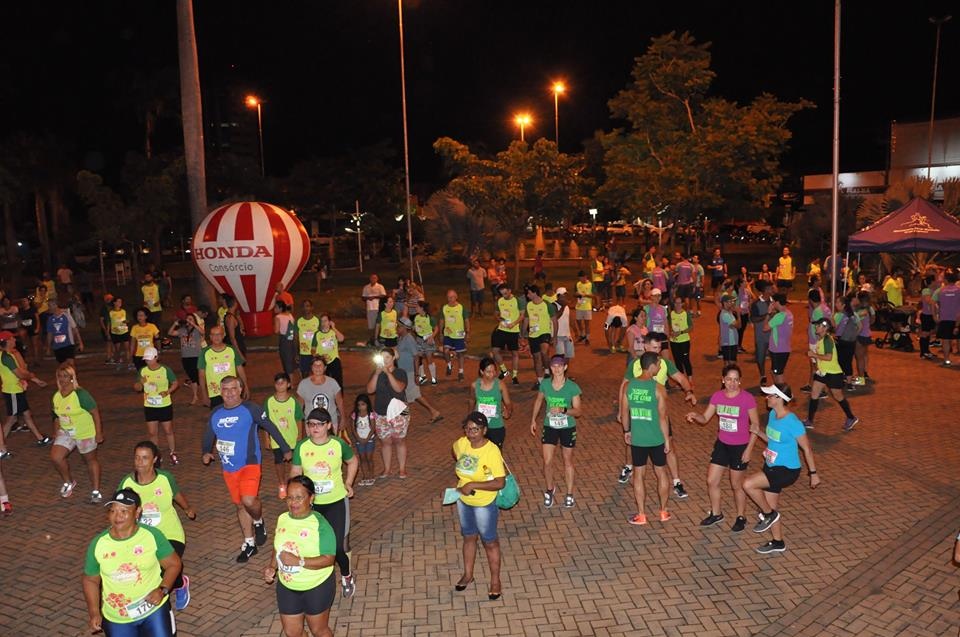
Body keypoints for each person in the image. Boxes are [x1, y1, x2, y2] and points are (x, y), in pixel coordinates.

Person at [202, 375, 292, 562]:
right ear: (220, 391)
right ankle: (249, 543)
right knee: (240, 505)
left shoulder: (250, 409)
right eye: (225, 389)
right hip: (229, 467)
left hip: (250, 463)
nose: (229, 393)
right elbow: (208, 435)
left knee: (249, 500)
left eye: (233, 388)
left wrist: (285, 448)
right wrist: (205, 451)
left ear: (241, 389)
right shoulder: (216, 413)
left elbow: (270, 426)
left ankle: (258, 521)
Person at [82, 488, 182, 636]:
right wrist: (94, 612)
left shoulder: (151, 536)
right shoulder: (99, 544)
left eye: (124, 511)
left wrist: (163, 589)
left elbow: (174, 564)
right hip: (118, 618)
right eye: (113, 511)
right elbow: (90, 580)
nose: (117, 516)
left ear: (137, 512)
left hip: (153, 610)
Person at [117, 441, 197, 611]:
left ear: (155, 459)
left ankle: (176, 588)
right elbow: (118, 509)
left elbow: (176, 494)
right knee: (150, 570)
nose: (140, 462)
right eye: (137, 458)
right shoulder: (127, 483)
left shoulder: (165, 478)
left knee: (166, 567)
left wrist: (187, 508)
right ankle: (175, 587)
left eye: (145, 458)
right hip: (143, 536)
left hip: (170, 533)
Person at [291, 408, 359, 600]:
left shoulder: (338, 444)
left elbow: (353, 462)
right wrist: (296, 496)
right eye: (311, 424)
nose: (315, 429)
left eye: (319, 424)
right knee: (315, 545)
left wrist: (348, 483)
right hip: (312, 506)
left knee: (337, 546)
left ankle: (347, 576)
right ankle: (317, 578)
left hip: (337, 502)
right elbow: (295, 473)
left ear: (329, 425)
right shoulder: (302, 447)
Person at [744, 384, 821, 554]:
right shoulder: (772, 414)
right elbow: (772, 440)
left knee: (748, 484)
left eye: (770, 395)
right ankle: (778, 541)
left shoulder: (793, 422)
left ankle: (768, 515)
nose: (767, 398)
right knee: (771, 507)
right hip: (771, 465)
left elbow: (807, 449)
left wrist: (813, 474)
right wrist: (758, 433)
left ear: (779, 398)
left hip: (787, 470)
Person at [685, 364, 758, 533]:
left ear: (740, 381)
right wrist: (696, 416)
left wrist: (749, 449)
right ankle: (716, 513)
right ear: (723, 380)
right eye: (729, 379)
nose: (732, 383)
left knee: (736, 485)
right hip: (722, 444)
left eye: (736, 380)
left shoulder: (747, 398)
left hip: (740, 446)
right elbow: (705, 418)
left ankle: (741, 516)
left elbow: (755, 425)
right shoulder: (717, 397)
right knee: (712, 480)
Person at [262, 475, 337, 637]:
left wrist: (299, 561)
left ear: (311, 498)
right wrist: (272, 567)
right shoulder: (282, 518)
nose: (293, 502)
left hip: (317, 586)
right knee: (292, 633)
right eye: (289, 497)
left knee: (319, 630)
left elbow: (329, 559)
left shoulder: (321, 525)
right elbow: (278, 547)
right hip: (287, 586)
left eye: (299, 498)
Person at [452, 412, 505, 599]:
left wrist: (473, 484)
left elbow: (500, 482)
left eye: (475, 429)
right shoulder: (461, 444)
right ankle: (468, 575)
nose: (471, 433)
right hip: (464, 502)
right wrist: (463, 484)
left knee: (489, 542)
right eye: (468, 428)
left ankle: (495, 580)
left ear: (484, 430)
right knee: (468, 537)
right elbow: (455, 451)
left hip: (484, 504)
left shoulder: (491, 451)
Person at [621, 352, 672, 525]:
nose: (659, 367)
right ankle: (663, 511)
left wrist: (627, 431)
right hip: (656, 438)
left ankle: (641, 514)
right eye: (658, 364)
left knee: (638, 474)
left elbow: (624, 413)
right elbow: (663, 417)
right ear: (652, 365)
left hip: (638, 439)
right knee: (661, 473)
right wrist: (667, 439)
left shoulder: (628, 386)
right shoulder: (658, 388)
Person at [529, 355, 582, 509]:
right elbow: (539, 400)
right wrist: (533, 419)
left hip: (567, 427)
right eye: (554, 366)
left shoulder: (572, 387)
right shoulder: (545, 384)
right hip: (550, 426)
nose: (557, 369)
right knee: (547, 461)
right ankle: (550, 489)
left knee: (567, 461)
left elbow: (578, 411)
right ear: (550, 367)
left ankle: (570, 493)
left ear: (565, 367)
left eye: (560, 366)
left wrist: (563, 410)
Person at [50, 364, 104, 502]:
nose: (62, 379)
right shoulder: (56, 396)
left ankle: (96, 490)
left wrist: (98, 433)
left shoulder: (81, 394)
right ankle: (68, 482)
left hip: (84, 432)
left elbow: (95, 412)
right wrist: (56, 431)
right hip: (66, 431)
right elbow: (56, 416)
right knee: (56, 457)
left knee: (90, 460)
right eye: (60, 376)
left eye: (65, 376)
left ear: (72, 378)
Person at [804, 317, 859, 432]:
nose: (816, 327)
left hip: (833, 374)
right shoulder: (821, 340)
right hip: (823, 373)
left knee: (838, 396)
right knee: (814, 394)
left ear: (825, 328)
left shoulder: (827, 340)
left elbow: (828, 357)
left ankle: (851, 417)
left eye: (818, 325)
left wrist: (814, 355)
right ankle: (809, 420)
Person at [0, 331, 51, 450]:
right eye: (12, 338)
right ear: (7, 341)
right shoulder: (6, 357)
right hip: (12, 391)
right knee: (12, 419)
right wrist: (31, 376)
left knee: (26, 414)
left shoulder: (7, 355)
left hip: (16, 389)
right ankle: (1, 447)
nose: (14, 340)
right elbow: (19, 374)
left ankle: (40, 438)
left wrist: (34, 379)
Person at [366, 347, 409, 478]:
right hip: (381, 411)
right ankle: (387, 469)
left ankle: (402, 469)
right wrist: (377, 374)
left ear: (393, 358)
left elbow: (399, 388)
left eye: (387, 357)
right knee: (385, 442)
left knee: (399, 440)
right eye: (382, 357)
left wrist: (389, 373)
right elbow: (369, 390)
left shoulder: (400, 372)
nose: (385, 360)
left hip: (399, 412)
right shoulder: (377, 373)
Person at [133, 347, 180, 465]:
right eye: (146, 360)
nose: (148, 362)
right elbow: (136, 387)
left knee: (168, 430)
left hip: (164, 404)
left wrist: (168, 392)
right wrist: (140, 384)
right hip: (149, 405)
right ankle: (156, 454)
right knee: (152, 433)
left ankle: (173, 452)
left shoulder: (165, 370)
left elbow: (175, 382)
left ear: (156, 358)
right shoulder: (143, 371)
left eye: (150, 359)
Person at [265, 372, 305, 499]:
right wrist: (266, 438)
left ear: (288, 384)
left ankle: (295, 485)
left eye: (283, 382)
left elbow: (299, 420)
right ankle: (282, 484)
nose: (280, 385)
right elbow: (265, 421)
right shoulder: (269, 401)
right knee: (279, 462)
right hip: (276, 440)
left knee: (296, 463)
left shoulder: (293, 401)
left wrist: (299, 437)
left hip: (292, 439)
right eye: (278, 383)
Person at [396, 317, 443, 423]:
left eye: (399, 326)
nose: (397, 328)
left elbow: (416, 357)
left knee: (415, 395)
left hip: (409, 372)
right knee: (405, 394)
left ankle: (434, 412)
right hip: (403, 371)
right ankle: (404, 415)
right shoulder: (401, 338)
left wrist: (417, 375)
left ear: (404, 328)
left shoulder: (409, 339)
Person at [197, 325, 248, 409]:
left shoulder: (231, 350)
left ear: (223, 335)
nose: (216, 337)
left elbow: (240, 369)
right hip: (215, 392)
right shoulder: (205, 353)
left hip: (232, 390)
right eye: (213, 335)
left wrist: (245, 387)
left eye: (219, 334)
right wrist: (204, 394)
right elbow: (201, 375)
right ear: (210, 337)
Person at [297, 357, 345, 436]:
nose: (318, 368)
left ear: (325, 367)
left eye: (320, 365)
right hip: (312, 424)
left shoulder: (333, 383)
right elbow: (300, 406)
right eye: (315, 365)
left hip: (330, 423)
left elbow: (340, 402)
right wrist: (298, 425)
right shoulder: (303, 384)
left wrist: (343, 418)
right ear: (311, 367)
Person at [473, 357, 513, 449]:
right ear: (482, 372)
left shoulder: (500, 385)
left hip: (496, 425)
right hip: (480, 426)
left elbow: (508, 403)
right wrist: (470, 419)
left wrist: (508, 411)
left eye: (494, 371)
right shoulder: (475, 386)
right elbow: (471, 401)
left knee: (495, 454)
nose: (492, 374)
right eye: (488, 372)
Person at [491, 282, 524, 386]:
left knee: (514, 353)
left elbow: (522, 315)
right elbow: (496, 314)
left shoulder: (518, 301)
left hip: (513, 331)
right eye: (501, 294)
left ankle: (514, 376)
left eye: (505, 293)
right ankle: (504, 371)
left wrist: (514, 323)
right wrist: (501, 320)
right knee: (495, 351)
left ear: (510, 290)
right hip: (501, 329)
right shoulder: (499, 301)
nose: (503, 296)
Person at [524, 285, 557, 388]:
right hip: (533, 335)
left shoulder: (547, 305)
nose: (528, 295)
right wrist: (522, 334)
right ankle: (540, 381)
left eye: (529, 293)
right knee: (536, 358)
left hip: (544, 332)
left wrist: (554, 336)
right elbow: (526, 320)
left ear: (535, 293)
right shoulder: (528, 305)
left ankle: (547, 370)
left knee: (544, 352)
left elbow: (554, 321)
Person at [168, 313, 203, 405]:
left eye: (191, 319)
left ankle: (199, 396)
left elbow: (202, 332)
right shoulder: (182, 330)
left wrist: (194, 324)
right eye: (187, 319)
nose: (189, 320)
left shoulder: (196, 330)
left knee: (198, 377)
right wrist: (175, 324)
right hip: (186, 357)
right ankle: (195, 396)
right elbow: (170, 333)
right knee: (192, 377)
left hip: (196, 356)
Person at [438, 290, 470, 382]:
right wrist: (440, 333)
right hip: (448, 334)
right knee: (446, 351)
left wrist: (467, 333)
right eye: (448, 297)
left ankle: (461, 372)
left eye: (452, 297)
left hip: (459, 335)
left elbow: (466, 320)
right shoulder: (444, 308)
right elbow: (441, 320)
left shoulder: (461, 307)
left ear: (456, 297)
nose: (450, 299)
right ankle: (449, 364)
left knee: (460, 354)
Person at [344, 395, 376, 486]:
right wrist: (358, 438)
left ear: (367, 405)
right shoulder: (355, 415)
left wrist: (367, 438)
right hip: (359, 440)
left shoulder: (371, 414)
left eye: (363, 404)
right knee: (362, 458)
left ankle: (371, 475)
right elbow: (353, 428)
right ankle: (365, 476)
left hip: (369, 439)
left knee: (369, 458)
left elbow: (373, 428)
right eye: (359, 405)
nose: (361, 407)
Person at [764, 292, 793, 384]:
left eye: (773, 302)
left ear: (777, 303)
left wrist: (768, 313)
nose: (772, 303)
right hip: (785, 348)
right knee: (775, 371)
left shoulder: (779, 316)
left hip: (778, 350)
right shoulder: (789, 313)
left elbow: (765, 328)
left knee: (778, 374)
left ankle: (782, 394)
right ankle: (779, 391)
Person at [311, 314, 345, 390]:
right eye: (322, 321)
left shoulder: (333, 332)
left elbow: (341, 339)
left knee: (338, 382)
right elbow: (312, 349)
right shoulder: (317, 334)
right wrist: (319, 357)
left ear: (329, 322)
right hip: (323, 362)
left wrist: (334, 328)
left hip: (334, 359)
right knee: (324, 382)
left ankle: (338, 399)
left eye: (325, 321)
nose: (324, 323)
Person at [46, 300, 84, 367]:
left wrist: (80, 342)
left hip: (68, 344)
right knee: (63, 366)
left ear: (55, 305)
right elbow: (50, 333)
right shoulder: (50, 319)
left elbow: (74, 329)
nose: (48, 308)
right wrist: (48, 347)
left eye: (50, 305)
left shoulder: (66, 315)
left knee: (70, 364)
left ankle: (73, 377)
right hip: (57, 346)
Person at [749, 281, 773, 385]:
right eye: (770, 288)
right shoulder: (756, 304)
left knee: (775, 358)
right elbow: (754, 319)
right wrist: (767, 315)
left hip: (773, 336)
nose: (772, 289)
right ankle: (763, 375)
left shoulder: (774, 301)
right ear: (764, 291)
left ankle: (775, 375)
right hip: (761, 335)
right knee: (760, 357)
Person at [934, 272, 960, 366]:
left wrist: (936, 315)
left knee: (946, 340)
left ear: (946, 280)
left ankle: (946, 360)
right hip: (957, 318)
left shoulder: (941, 291)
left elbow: (937, 304)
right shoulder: (958, 290)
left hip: (944, 318)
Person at [667, 295, 694, 381]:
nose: (678, 305)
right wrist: (670, 333)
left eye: (680, 303)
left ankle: (690, 380)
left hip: (684, 341)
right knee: (677, 361)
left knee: (685, 360)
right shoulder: (671, 314)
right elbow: (668, 325)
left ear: (682, 304)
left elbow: (691, 327)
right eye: (676, 303)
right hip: (674, 341)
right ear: (674, 304)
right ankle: (682, 380)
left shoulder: (685, 314)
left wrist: (681, 332)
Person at [413, 300, 439, 385]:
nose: (415, 308)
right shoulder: (416, 317)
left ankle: (434, 378)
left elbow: (436, 329)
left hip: (428, 340)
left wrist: (431, 337)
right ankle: (422, 376)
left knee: (429, 359)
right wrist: (414, 328)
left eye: (417, 307)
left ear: (421, 308)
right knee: (419, 358)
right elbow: (415, 327)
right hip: (419, 340)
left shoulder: (430, 318)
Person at [551, 288, 577, 375]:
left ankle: (565, 375)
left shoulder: (566, 306)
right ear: (558, 296)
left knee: (568, 356)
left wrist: (575, 331)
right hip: (558, 335)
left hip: (567, 335)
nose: (566, 297)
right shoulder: (553, 305)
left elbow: (570, 319)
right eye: (564, 295)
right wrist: (562, 306)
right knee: (560, 356)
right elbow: (556, 317)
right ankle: (559, 374)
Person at [295, 300, 321, 382]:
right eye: (304, 306)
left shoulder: (317, 321)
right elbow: (296, 338)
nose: (306, 308)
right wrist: (297, 353)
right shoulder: (298, 321)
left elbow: (321, 336)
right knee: (304, 374)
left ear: (312, 308)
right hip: (303, 353)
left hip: (315, 352)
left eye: (308, 306)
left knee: (317, 373)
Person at [361, 274, 387, 346]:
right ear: (370, 279)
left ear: (377, 279)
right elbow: (363, 297)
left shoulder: (380, 286)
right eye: (372, 278)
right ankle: (372, 339)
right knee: (371, 325)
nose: (373, 279)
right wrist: (368, 298)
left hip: (378, 307)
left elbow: (384, 295)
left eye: (375, 278)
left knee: (378, 323)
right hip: (370, 308)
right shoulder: (366, 287)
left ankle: (379, 338)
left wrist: (374, 297)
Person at [108, 296, 132, 369]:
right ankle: (119, 362)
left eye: (120, 302)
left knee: (127, 348)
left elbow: (128, 320)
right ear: (114, 303)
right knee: (118, 349)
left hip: (124, 331)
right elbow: (108, 323)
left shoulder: (123, 311)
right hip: (115, 333)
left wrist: (126, 321)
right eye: (118, 302)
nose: (119, 303)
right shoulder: (111, 312)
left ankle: (129, 363)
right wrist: (108, 332)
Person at [917, 274, 937, 360]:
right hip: (926, 315)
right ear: (932, 282)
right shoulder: (926, 290)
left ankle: (926, 351)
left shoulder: (931, 290)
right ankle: (923, 352)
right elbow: (928, 301)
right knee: (925, 334)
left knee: (928, 334)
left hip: (929, 315)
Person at [275, 300, 297, 377]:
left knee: (286, 359)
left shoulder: (278, 317)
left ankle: (290, 382)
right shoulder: (290, 315)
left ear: (280, 308)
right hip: (291, 339)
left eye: (276, 307)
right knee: (291, 358)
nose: (274, 309)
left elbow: (276, 330)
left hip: (284, 340)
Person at [718, 295, 740, 363]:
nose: (733, 303)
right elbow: (738, 326)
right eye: (730, 301)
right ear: (725, 303)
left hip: (730, 341)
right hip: (729, 342)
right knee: (731, 363)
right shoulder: (725, 314)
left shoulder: (728, 312)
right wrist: (738, 314)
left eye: (733, 301)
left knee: (728, 363)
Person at [574, 271, 593, 345]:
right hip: (579, 306)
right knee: (578, 321)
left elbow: (594, 295)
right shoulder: (577, 284)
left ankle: (587, 338)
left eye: (582, 278)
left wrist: (585, 295)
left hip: (587, 307)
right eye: (579, 278)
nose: (581, 280)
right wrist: (577, 294)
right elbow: (574, 293)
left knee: (587, 323)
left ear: (585, 277)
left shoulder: (590, 284)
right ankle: (582, 334)